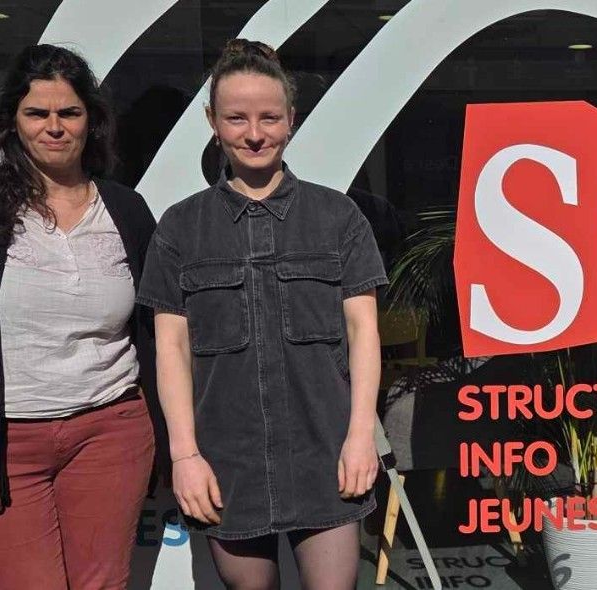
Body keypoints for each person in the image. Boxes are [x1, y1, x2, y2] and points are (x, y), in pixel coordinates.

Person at [0, 44, 164, 589]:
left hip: (110, 433)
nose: (55, 127)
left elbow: (157, 325)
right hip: (5, 441)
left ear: (91, 120)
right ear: (13, 121)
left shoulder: (126, 210)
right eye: (37, 113)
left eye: (69, 112)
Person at [136, 39, 385, 590]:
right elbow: (170, 350)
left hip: (327, 452)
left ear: (291, 119)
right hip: (228, 460)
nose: (254, 134)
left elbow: (364, 332)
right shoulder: (180, 228)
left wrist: (360, 437)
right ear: (212, 122)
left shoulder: (338, 217)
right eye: (236, 118)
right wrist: (185, 456)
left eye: (269, 117)